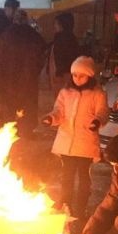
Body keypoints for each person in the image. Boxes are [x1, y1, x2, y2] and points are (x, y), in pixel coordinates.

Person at [42, 56, 108, 220]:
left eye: (82, 75)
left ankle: (80, 207)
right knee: (67, 176)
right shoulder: (65, 93)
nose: (77, 79)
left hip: (85, 143)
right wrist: (51, 119)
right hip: (66, 142)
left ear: (90, 76)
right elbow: (59, 111)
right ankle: (65, 204)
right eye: (75, 75)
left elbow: (102, 113)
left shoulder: (97, 94)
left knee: (84, 177)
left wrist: (96, 122)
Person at [0, 9, 46, 138]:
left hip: (8, 78)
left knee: (10, 105)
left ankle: (9, 129)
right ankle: (27, 129)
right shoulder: (33, 35)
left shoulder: (6, 34)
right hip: (28, 78)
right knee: (28, 105)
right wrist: (34, 71)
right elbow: (41, 54)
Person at [47, 12, 81, 95]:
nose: (54, 26)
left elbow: (61, 57)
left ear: (63, 25)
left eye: (56, 23)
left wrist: (59, 72)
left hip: (62, 76)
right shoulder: (71, 39)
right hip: (64, 75)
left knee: (62, 98)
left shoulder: (62, 39)